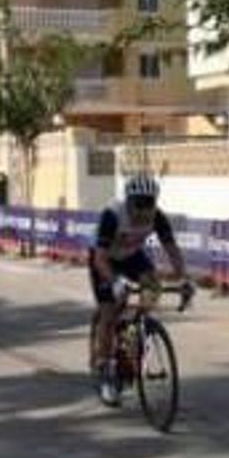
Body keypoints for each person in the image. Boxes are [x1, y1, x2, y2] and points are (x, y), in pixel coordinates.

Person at [89, 173, 190, 406]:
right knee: (109, 310)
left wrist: (184, 280)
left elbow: (173, 251)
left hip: (132, 256)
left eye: (149, 204)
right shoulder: (112, 215)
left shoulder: (157, 217)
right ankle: (105, 371)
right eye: (139, 204)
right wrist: (115, 282)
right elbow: (100, 260)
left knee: (152, 287)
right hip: (105, 261)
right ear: (128, 201)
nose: (144, 210)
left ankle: (134, 330)